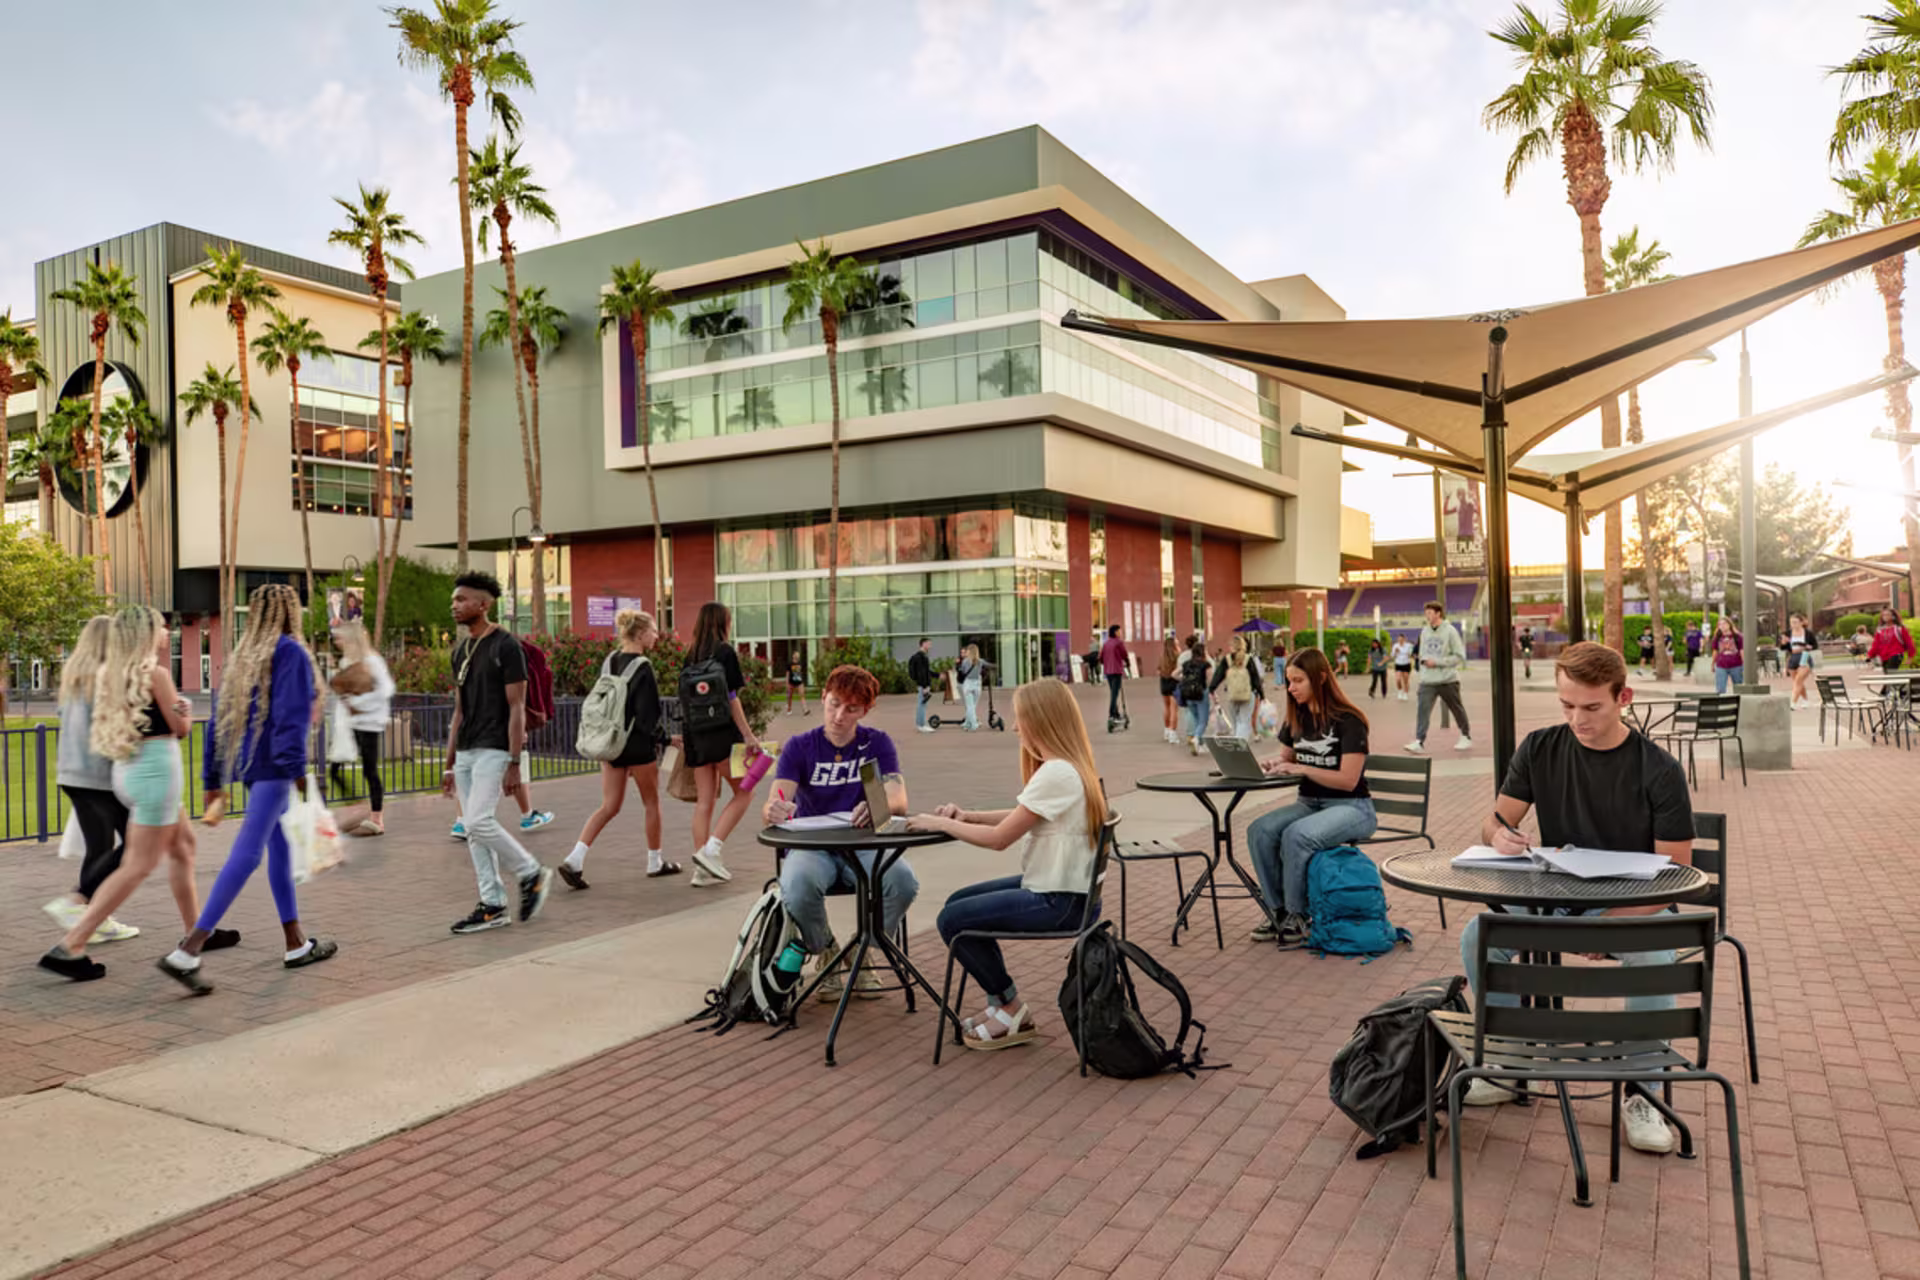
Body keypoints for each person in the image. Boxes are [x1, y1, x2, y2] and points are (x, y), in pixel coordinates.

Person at [1464, 642, 1694, 1154]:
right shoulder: (1540, 747)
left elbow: (1676, 871)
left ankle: (1645, 1090)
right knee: (1478, 937)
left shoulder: (1659, 770)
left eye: (1591, 707)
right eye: (1566, 705)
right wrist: (1499, 834)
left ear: (1623, 698)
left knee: (1656, 955)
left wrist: (1610, 920)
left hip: (1636, 902)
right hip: (1558, 893)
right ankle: (1509, 1066)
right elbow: (1496, 818)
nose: (1577, 719)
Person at [914, 679, 1110, 1049]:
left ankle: (1009, 1007)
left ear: (1041, 721)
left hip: (1060, 902)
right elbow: (1023, 816)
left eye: (1021, 719)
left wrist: (941, 823)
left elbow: (1001, 839)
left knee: (953, 920)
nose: (1016, 727)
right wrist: (967, 816)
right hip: (1065, 893)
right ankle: (1003, 1005)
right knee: (958, 902)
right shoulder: (1069, 768)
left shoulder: (1057, 772)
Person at [165, 584, 338, 993]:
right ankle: (190, 948)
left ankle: (295, 942)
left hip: (253, 768)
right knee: (247, 853)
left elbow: (217, 724)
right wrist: (297, 769)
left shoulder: (243, 659)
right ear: (288, 612)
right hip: (276, 768)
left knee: (278, 850)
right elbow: (291, 717)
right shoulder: (291, 653)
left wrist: (212, 782)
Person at [39, 608, 219, 982]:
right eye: (160, 627)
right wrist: (184, 709)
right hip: (156, 771)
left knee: (183, 846)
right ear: (145, 633)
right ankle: (72, 944)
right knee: (137, 865)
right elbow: (181, 728)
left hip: (129, 770)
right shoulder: (156, 675)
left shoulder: (109, 675)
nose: (166, 632)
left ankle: (198, 931)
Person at [762, 665, 914, 1002]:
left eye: (851, 708)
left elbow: (898, 798)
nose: (840, 715)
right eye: (834, 704)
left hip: (862, 842)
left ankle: (862, 952)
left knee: (902, 881)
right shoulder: (801, 746)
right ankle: (827, 948)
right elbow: (777, 799)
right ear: (823, 700)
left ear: (865, 710)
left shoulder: (875, 743)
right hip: (813, 846)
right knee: (798, 884)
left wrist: (879, 806)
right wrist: (773, 808)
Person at [444, 571, 555, 933]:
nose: (454, 605)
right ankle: (493, 904)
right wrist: (448, 764)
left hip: (494, 748)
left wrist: (514, 762)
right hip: (466, 750)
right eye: (454, 600)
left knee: (477, 821)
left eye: (462, 599)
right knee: (474, 830)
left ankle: (530, 872)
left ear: (484, 604)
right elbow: (459, 711)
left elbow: (517, 707)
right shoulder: (460, 651)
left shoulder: (507, 646)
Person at [1244, 647, 1377, 948]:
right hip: (1309, 805)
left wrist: (1300, 766)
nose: (1290, 688)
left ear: (1320, 678)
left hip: (1353, 807)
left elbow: (1347, 780)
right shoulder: (1296, 718)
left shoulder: (1349, 720)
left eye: (1298, 681)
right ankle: (1277, 911)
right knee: (1260, 831)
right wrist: (1273, 764)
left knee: (1297, 835)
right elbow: (1287, 758)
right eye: (1289, 681)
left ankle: (1298, 915)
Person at [559, 608, 675, 889]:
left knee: (609, 806)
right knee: (651, 803)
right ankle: (654, 861)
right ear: (640, 634)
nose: (657, 636)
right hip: (637, 746)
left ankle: (575, 858)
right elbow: (647, 715)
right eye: (653, 631)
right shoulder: (643, 667)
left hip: (610, 743)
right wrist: (667, 740)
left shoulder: (609, 662)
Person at [42, 616, 141, 944]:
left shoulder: (73, 678)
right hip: (99, 776)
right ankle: (79, 900)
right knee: (136, 843)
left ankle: (94, 916)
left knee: (100, 848)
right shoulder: (104, 679)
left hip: (71, 774)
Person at [681, 601, 764, 887]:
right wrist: (749, 735)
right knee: (745, 792)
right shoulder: (725, 652)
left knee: (705, 801)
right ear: (722, 622)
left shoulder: (690, 654)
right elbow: (731, 698)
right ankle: (712, 849)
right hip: (723, 734)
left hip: (696, 735)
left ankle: (701, 869)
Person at [328, 622, 395, 837]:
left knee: (369, 769)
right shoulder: (347, 661)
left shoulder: (372, 660)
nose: (336, 642)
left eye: (340, 638)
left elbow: (387, 688)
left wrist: (361, 703)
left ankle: (376, 818)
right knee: (335, 769)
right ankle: (357, 806)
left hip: (369, 721)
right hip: (350, 722)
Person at [1405, 602, 1472, 754]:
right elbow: (1422, 653)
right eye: (1426, 613)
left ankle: (1465, 736)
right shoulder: (1424, 631)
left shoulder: (1450, 631)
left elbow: (1459, 656)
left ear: (1438, 613)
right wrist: (1423, 661)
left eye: (1430, 613)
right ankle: (1419, 741)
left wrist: (1438, 662)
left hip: (1447, 679)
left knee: (1456, 708)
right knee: (1423, 710)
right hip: (1427, 680)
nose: (1427, 616)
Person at [1209, 635, 1263, 739]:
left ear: (1231, 646)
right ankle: (1241, 743)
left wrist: (1212, 688)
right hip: (1248, 694)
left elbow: (1218, 675)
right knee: (1244, 721)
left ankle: (1236, 739)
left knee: (1235, 721)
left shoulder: (1227, 659)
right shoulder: (1248, 659)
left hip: (1232, 694)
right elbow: (1255, 678)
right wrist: (1262, 694)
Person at [1176, 634, 1211, 755]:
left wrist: (1184, 680)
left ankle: (1200, 744)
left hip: (1188, 694)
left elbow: (1173, 674)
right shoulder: (1205, 664)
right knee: (1203, 721)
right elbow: (1209, 680)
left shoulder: (1186, 664)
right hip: (1201, 693)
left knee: (1196, 718)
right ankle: (1196, 739)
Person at [1783, 611, 1820, 710]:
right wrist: (1784, 642)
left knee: (1798, 680)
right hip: (1793, 657)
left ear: (1801, 622)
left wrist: (1807, 647)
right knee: (1797, 681)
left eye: (1795, 622)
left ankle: (1792, 703)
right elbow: (1783, 647)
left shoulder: (1808, 633)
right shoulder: (1788, 633)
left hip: (1804, 656)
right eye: (1791, 623)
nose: (1793, 625)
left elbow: (1815, 645)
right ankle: (1805, 700)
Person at [1868, 606, 1915, 674]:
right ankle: (1896, 684)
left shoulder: (1899, 628)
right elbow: (1876, 645)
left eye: (1887, 615)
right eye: (1883, 615)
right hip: (1884, 656)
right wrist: (1870, 656)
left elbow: (1909, 642)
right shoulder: (1880, 630)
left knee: (1890, 674)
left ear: (1893, 617)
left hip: (1896, 654)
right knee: (1887, 675)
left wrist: (1910, 657)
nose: (1885, 617)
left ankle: (1888, 684)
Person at [1099, 624, 1129, 725]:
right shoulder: (1118, 642)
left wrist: (1107, 663)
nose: (1121, 633)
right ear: (1115, 632)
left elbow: (1101, 658)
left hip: (1108, 672)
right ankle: (1112, 714)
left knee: (1113, 693)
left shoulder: (1106, 643)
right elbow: (1124, 654)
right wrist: (1127, 663)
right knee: (1115, 694)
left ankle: (1115, 713)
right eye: (1120, 631)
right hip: (1116, 671)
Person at [1710, 615, 1745, 694]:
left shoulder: (1738, 637)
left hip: (1736, 665)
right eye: (1720, 624)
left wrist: (1744, 665)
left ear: (1729, 625)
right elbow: (1715, 651)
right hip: (1721, 665)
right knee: (1720, 689)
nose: (1722, 626)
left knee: (1739, 687)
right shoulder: (1717, 637)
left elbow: (1741, 650)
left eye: (1724, 624)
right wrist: (1712, 664)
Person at [1157, 633, 1181, 745]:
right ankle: (1172, 733)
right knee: (1174, 709)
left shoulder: (1162, 657)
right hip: (1174, 683)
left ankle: (1166, 730)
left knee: (1166, 707)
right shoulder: (1177, 656)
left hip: (1164, 682)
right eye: (1177, 643)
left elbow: (1158, 670)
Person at [908, 636, 934, 733]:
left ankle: (921, 724)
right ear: (923, 644)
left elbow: (926, 672)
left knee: (922, 704)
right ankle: (921, 725)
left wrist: (938, 675)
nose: (930, 646)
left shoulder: (921, 656)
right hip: (923, 685)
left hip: (922, 685)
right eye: (929, 643)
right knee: (922, 705)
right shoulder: (920, 657)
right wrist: (924, 686)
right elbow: (921, 673)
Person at [958, 643, 986, 731]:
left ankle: (973, 724)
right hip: (977, 684)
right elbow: (986, 668)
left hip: (968, 684)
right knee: (973, 706)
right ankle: (967, 722)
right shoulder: (981, 661)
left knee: (970, 706)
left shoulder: (965, 661)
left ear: (969, 651)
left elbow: (962, 671)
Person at [1390, 634, 1414, 701]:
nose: (1400, 641)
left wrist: (1407, 652)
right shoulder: (1395, 646)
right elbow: (1392, 655)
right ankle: (1400, 691)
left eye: (1402, 639)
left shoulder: (1408, 645)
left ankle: (1405, 694)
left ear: (1404, 639)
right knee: (1398, 679)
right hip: (1398, 664)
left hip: (1406, 664)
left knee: (1406, 680)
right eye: (1399, 639)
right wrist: (1395, 652)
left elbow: (1410, 654)